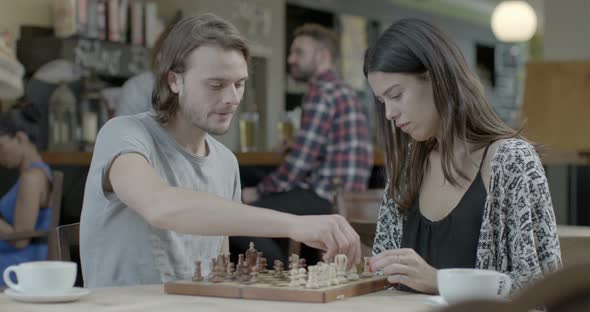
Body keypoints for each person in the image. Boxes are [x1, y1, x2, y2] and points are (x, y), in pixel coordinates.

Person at [80, 14, 361, 288]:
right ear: (174, 81)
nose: (232, 99)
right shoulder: (123, 134)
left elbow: (220, 271)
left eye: (239, 84)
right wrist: (295, 225)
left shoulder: (225, 162)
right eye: (216, 85)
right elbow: (159, 206)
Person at [363, 18, 561, 294]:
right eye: (383, 101)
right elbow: (385, 272)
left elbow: (543, 286)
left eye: (396, 95)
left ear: (436, 78)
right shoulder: (409, 162)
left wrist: (442, 282)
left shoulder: (512, 161)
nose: (389, 113)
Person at [236, 24, 373, 264]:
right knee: (253, 181)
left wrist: (254, 193)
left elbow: (297, 168)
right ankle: (296, 267)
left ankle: (282, 272)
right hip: (346, 197)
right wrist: (295, 146)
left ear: (322, 55)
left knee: (242, 217)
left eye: (299, 52)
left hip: (325, 198)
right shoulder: (344, 90)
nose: (291, 59)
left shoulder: (321, 92)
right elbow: (321, 150)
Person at [0, 104, 52, 287]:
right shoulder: (36, 174)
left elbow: (21, 240)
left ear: (20, 138)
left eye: (1, 146)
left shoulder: (31, 179)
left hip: (19, 264)